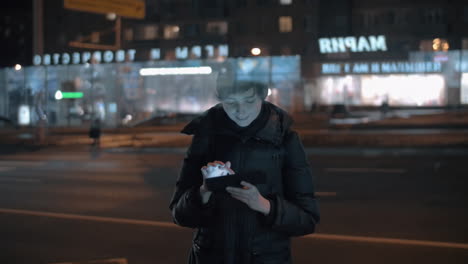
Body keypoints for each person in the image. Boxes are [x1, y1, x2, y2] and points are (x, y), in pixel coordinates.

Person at [169, 81, 320, 264]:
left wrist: (265, 205)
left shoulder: (284, 139)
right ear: (220, 100)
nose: (240, 110)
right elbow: (179, 215)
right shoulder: (205, 137)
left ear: (262, 97)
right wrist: (203, 192)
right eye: (231, 102)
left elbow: (307, 219)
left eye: (249, 101)